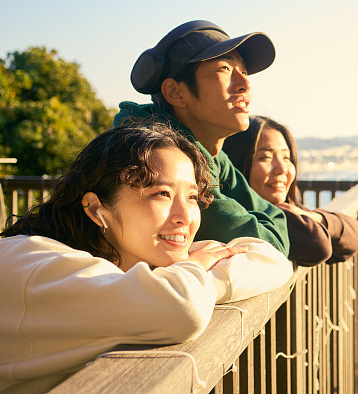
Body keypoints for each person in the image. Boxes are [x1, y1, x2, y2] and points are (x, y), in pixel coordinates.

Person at [0, 122, 293, 394]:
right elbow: (181, 308)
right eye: (161, 194)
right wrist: (190, 274)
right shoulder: (32, 264)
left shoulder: (130, 258)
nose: (184, 218)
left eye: (192, 197)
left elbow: (271, 259)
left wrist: (192, 275)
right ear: (96, 208)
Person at [113, 20, 290, 257]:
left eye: (244, 71)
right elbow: (273, 245)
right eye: (224, 69)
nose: (245, 84)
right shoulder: (158, 159)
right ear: (175, 92)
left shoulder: (211, 154)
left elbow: (277, 221)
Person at [223, 116, 358, 265]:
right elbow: (318, 244)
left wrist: (314, 216)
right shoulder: (243, 220)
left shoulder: (287, 207)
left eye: (286, 157)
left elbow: (357, 236)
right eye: (265, 157)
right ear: (235, 163)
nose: (282, 168)